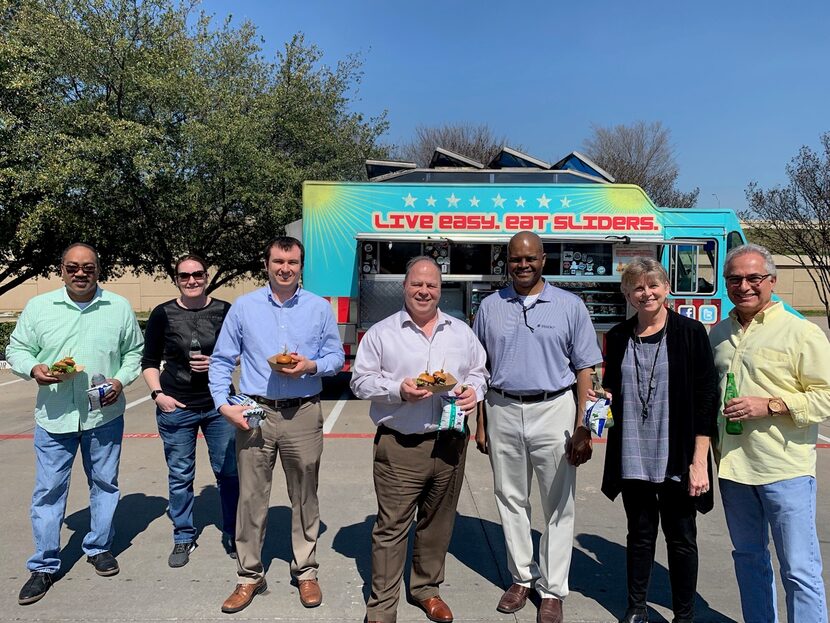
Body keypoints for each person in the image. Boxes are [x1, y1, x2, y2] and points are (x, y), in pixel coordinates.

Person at [209, 236, 344, 614]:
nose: (285, 268)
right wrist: (223, 404)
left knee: (305, 495)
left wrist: (311, 365)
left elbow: (336, 355)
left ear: (302, 266)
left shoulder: (319, 308)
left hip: (302, 411)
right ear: (266, 263)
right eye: (278, 261)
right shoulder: (244, 307)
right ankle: (249, 575)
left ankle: (306, 570)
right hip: (255, 412)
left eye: (293, 262)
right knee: (251, 496)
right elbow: (221, 360)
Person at [472, 231, 603, 623]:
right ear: (506, 262)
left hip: (555, 409)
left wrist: (584, 426)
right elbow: (479, 371)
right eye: (515, 259)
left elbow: (586, 369)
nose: (523, 265)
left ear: (544, 259)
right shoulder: (490, 307)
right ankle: (522, 578)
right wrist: (480, 424)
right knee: (510, 498)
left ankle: (552, 589)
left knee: (558, 503)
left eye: (530, 258)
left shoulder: (569, 306)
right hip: (503, 408)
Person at [351, 256, 488, 623]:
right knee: (392, 528)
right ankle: (381, 606)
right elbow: (359, 381)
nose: (424, 291)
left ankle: (426, 589)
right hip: (400, 446)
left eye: (431, 285)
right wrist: (398, 390)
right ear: (404, 287)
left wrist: (475, 391)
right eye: (417, 284)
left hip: (449, 442)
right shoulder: (382, 333)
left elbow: (479, 372)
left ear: (441, 290)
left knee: (438, 522)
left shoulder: (461, 332)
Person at [6, 243, 144, 605]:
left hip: (104, 414)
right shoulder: (40, 307)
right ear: (61, 270)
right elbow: (17, 348)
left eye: (88, 267)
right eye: (72, 267)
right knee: (49, 490)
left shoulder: (118, 307)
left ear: (99, 269)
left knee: (104, 483)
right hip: (54, 416)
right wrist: (32, 368)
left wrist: (120, 379)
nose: (80, 273)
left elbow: (134, 352)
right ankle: (45, 565)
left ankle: (99, 546)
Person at [710, 243, 829, 623]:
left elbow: (826, 397)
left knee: (799, 569)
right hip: (734, 469)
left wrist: (771, 405)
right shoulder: (718, 334)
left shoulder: (801, 332)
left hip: (785, 471)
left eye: (753, 277)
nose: (744, 286)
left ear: (772, 281)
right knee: (749, 561)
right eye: (734, 279)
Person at [599, 258, 718, 623]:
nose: (646, 293)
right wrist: (601, 401)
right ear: (627, 294)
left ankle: (684, 614)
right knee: (639, 533)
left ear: (666, 288)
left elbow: (705, 397)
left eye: (653, 285)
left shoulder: (690, 332)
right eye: (637, 287)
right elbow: (613, 390)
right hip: (633, 451)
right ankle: (636, 607)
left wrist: (700, 461)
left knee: (681, 537)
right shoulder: (618, 337)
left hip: (677, 453)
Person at [141, 254, 239, 568]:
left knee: (229, 473)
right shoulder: (163, 314)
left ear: (206, 275)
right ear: (177, 280)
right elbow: (149, 361)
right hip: (176, 405)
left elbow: (243, 352)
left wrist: (219, 362)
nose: (192, 280)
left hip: (218, 404)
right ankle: (183, 536)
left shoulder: (225, 310)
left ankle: (235, 534)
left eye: (197, 274)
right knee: (181, 475)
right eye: (185, 276)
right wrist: (158, 395)